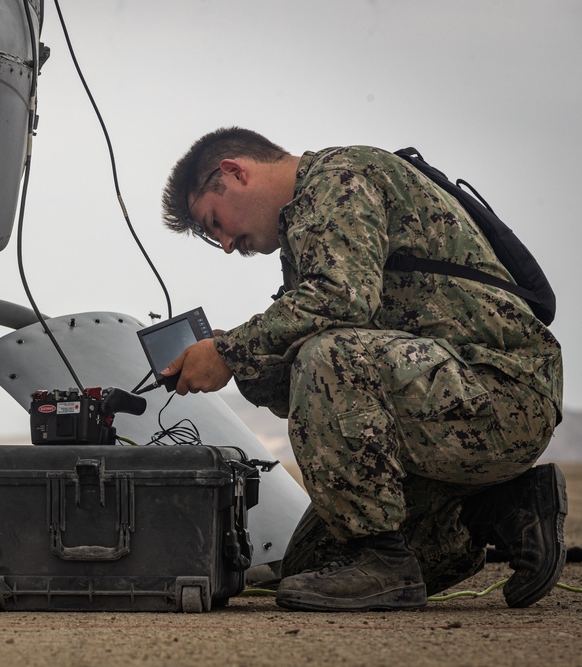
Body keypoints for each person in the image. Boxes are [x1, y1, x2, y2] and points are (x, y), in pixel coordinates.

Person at [159, 127, 565, 612]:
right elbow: (320, 390)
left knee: (328, 354)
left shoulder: (340, 179)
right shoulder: (306, 225)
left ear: (234, 172)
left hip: (503, 394)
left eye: (214, 223)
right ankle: (500, 509)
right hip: (443, 407)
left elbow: (341, 304)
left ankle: (385, 560)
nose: (226, 245)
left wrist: (230, 350)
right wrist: (237, 360)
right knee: (308, 567)